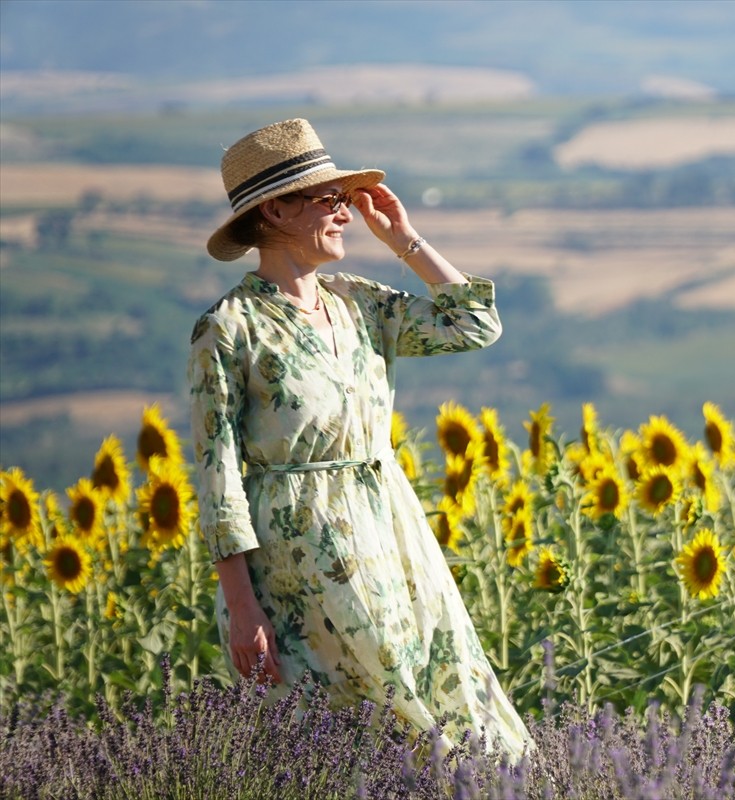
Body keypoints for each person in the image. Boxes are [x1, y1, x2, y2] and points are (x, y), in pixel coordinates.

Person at [188, 118, 531, 758]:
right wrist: (241, 607)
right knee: (357, 732)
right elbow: (217, 472)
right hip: (296, 553)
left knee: (445, 697)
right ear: (276, 207)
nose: (346, 214)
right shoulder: (230, 329)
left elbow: (475, 324)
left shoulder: (359, 304)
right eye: (330, 199)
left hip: (390, 533)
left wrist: (406, 239)